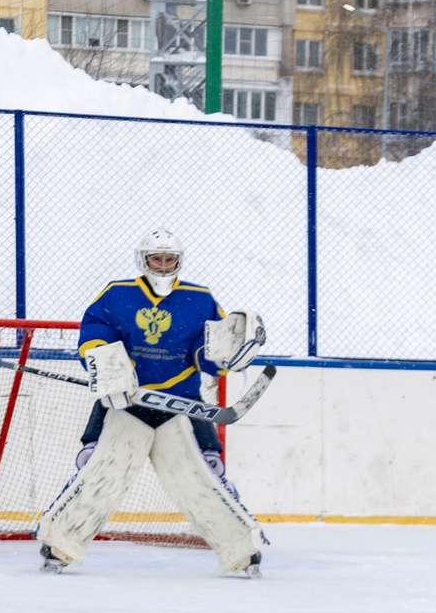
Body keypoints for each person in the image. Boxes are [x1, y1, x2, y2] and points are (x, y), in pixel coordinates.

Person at [36, 228, 268, 576]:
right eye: (155, 259)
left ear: (179, 260)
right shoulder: (118, 294)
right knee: (97, 469)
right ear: (142, 260)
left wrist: (221, 359)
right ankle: (59, 544)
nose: (162, 266)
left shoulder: (200, 298)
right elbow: (95, 330)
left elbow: (205, 347)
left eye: (168, 259)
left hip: (181, 403)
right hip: (123, 401)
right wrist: (108, 363)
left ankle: (242, 550)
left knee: (206, 475)